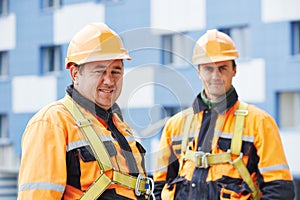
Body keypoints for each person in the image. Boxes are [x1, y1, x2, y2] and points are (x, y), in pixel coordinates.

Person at [153, 29, 295, 199]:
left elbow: (280, 190)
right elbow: (159, 186)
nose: (215, 76)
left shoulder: (259, 122)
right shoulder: (175, 125)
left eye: (222, 68)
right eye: (208, 69)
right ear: (198, 71)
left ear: (234, 70)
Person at [18, 23, 154, 199]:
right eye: (99, 71)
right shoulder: (52, 123)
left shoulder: (119, 126)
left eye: (115, 71)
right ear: (75, 74)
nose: (109, 81)